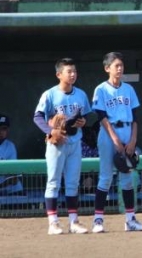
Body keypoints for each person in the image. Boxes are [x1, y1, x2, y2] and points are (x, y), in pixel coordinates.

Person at [32, 57, 92, 235]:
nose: (73, 74)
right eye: (69, 71)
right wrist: (50, 131)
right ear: (59, 74)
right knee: (53, 182)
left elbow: (85, 116)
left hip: (75, 142)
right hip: (57, 144)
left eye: (74, 71)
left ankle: (74, 222)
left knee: (73, 183)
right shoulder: (50, 94)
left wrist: (83, 121)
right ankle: (53, 223)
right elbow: (37, 116)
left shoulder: (81, 94)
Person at [91, 52, 142, 233]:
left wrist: (133, 140)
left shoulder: (129, 89)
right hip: (109, 133)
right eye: (116, 66)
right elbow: (101, 116)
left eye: (121, 65)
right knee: (106, 177)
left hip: (127, 131)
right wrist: (115, 139)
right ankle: (98, 220)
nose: (120, 68)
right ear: (107, 68)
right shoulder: (101, 89)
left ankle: (130, 220)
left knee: (128, 178)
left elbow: (136, 117)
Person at [0, 115, 24, 196]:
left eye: (3, 129)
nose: (1, 132)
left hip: (11, 190)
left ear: (8, 130)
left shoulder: (10, 146)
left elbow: (13, 179)